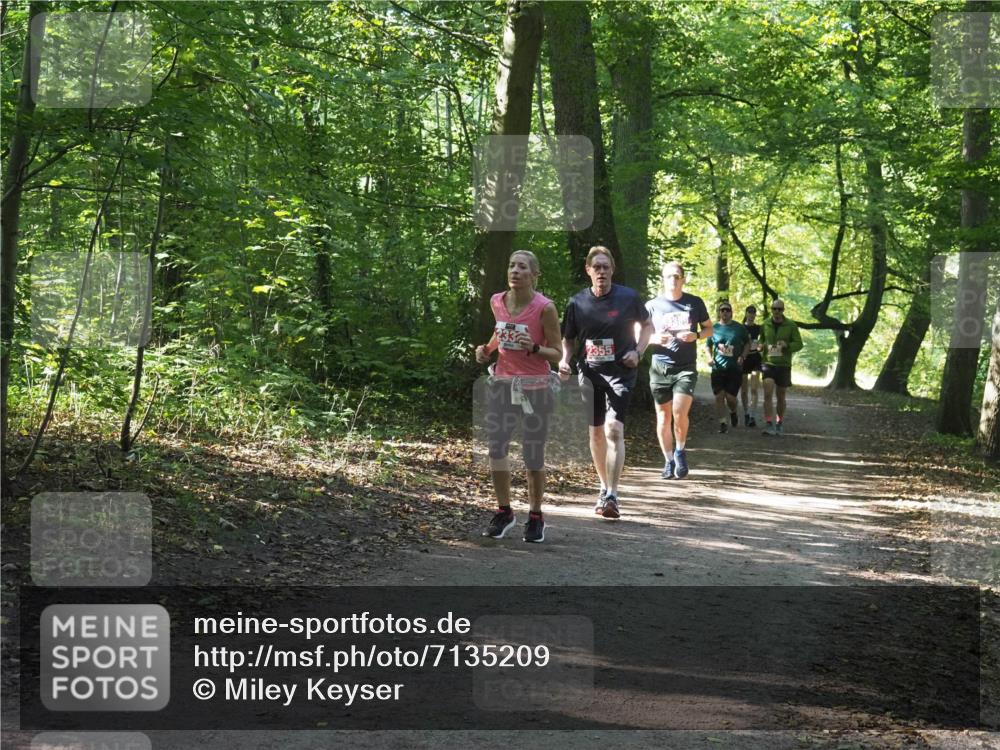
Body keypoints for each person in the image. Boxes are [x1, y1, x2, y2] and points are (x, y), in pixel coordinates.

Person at [559, 246, 653, 520]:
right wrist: (565, 360)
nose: (601, 271)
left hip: (621, 372)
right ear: (588, 270)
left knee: (614, 429)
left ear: (613, 270)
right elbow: (568, 339)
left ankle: (612, 494)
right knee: (596, 433)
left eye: (605, 267)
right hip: (589, 374)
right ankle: (603, 487)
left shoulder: (628, 297)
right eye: (596, 267)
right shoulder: (576, 302)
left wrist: (638, 352)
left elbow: (648, 326)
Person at [475, 251, 562, 542]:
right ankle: (504, 512)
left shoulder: (545, 308)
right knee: (496, 448)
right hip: (503, 385)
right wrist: (487, 350)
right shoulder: (497, 301)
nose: (515, 271)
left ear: (534, 275)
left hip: (536, 389)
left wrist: (535, 348)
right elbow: (500, 332)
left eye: (522, 267)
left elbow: (557, 353)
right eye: (512, 265)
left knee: (532, 454)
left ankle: (535, 516)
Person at [643, 261, 712, 479]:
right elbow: (638, 335)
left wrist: (696, 336)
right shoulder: (652, 306)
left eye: (676, 276)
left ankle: (680, 451)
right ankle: (668, 460)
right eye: (668, 276)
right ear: (663, 279)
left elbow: (709, 328)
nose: (672, 280)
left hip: (686, 367)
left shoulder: (694, 303)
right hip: (660, 368)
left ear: (683, 279)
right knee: (663, 417)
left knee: (679, 412)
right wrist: (654, 338)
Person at [759, 298, 803, 436]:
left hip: (784, 364)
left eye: (780, 309)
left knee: (781, 395)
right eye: (774, 309)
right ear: (771, 309)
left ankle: (779, 422)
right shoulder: (765, 324)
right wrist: (760, 346)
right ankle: (768, 423)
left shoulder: (791, 325)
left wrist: (787, 345)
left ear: (783, 310)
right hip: (768, 363)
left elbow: (799, 344)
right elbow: (761, 339)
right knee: (767, 392)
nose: (777, 311)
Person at [705, 302, 750, 433]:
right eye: (722, 310)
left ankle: (733, 411)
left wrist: (743, 356)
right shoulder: (714, 328)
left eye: (727, 310)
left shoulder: (739, 328)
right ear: (719, 312)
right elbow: (708, 346)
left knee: (730, 398)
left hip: (734, 368)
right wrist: (709, 357)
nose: (725, 312)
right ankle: (723, 423)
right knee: (719, 396)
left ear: (731, 312)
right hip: (718, 368)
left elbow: (747, 343)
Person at [740, 305, 763, 427]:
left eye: (753, 312)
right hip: (744, 359)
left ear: (755, 315)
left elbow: (763, 341)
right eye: (749, 312)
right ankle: (746, 413)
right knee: (744, 390)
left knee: (754, 389)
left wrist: (761, 346)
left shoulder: (759, 328)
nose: (751, 314)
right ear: (746, 313)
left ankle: (752, 416)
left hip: (755, 358)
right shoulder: (740, 328)